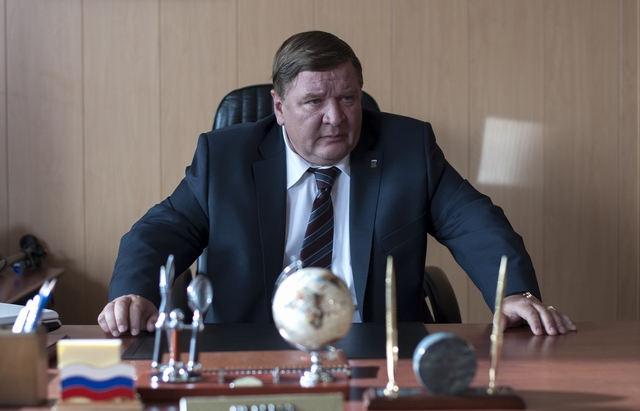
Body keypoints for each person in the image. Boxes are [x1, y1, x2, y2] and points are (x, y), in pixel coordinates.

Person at [99, 30, 576, 338]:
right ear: (279, 107)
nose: (336, 117)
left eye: (348, 98)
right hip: (252, 347)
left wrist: (515, 294)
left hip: (375, 344)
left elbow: (473, 220)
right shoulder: (225, 159)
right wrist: (133, 293)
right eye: (314, 102)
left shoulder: (407, 149)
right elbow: (161, 230)